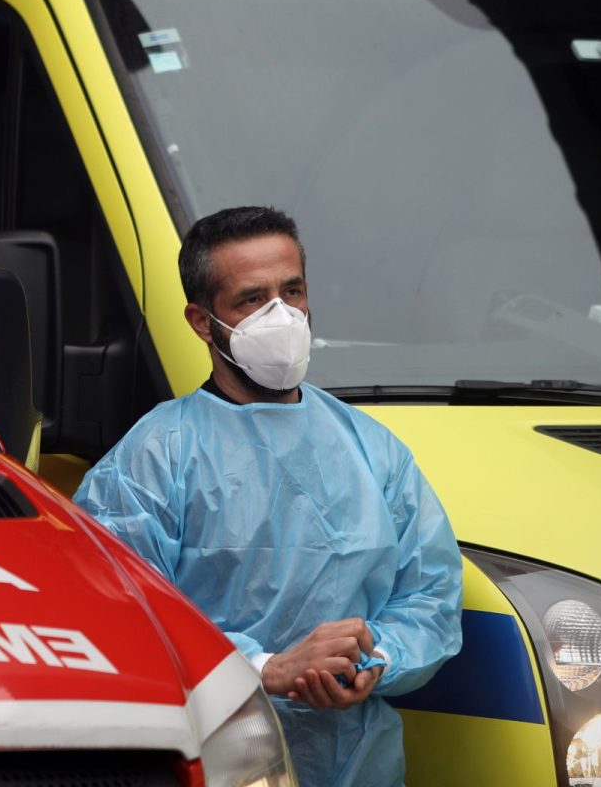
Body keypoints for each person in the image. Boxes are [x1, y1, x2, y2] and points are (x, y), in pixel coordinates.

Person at [74, 205, 461, 787]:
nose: (281, 315)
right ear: (202, 323)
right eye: (252, 299)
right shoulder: (154, 457)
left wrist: (368, 658)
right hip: (213, 761)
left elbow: (431, 598)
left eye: (293, 291)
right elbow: (114, 616)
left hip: (358, 764)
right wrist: (264, 669)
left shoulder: (372, 450)